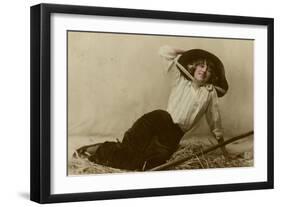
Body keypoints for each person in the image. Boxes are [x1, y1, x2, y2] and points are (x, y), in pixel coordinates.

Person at [74, 45, 229, 171]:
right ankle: (98, 150)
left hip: (173, 136)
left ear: (212, 76)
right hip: (159, 121)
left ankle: (104, 150)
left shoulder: (209, 93)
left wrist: (224, 150)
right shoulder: (181, 80)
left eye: (209, 69)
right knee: (141, 136)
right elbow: (165, 51)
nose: (204, 70)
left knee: (144, 165)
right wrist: (189, 52)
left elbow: (215, 121)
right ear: (193, 67)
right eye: (201, 65)